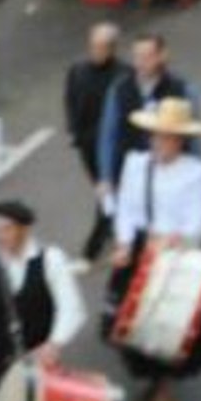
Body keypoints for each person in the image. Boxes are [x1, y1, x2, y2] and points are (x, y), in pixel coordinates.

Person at [104, 97, 201, 401]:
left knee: (168, 323)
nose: (159, 143)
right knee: (129, 321)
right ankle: (148, 372)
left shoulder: (199, 173)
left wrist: (173, 239)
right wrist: (124, 242)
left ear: (180, 140)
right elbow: (125, 208)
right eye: (156, 136)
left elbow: (199, 221)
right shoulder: (135, 164)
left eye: (167, 137)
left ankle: (164, 383)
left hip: (174, 257)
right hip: (140, 248)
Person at [0, 201, 87, 385]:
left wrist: (55, 343)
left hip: (43, 368)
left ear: (25, 229)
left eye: (7, 229)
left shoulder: (51, 259)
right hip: (2, 366)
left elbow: (72, 308)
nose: (0, 236)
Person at [98, 33, 201, 197]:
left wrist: (196, 175)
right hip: (131, 177)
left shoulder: (183, 90)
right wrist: (106, 177)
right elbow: (108, 136)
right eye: (137, 56)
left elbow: (194, 139)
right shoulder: (119, 90)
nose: (141, 63)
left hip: (172, 176)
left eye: (147, 56)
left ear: (161, 56)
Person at [64, 22, 128, 273]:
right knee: (104, 192)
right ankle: (117, 226)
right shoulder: (77, 70)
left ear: (112, 49)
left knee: (106, 194)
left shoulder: (123, 75)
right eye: (93, 45)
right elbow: (70, 99)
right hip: (86, 143)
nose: (96, 51)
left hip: (112, 146)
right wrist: (72, 130)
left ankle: (91, 251)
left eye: (102, 47)